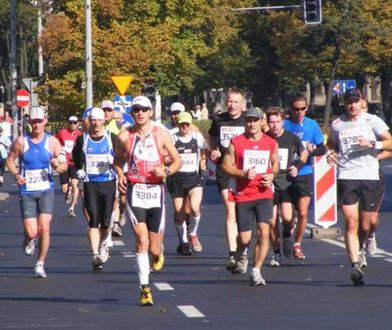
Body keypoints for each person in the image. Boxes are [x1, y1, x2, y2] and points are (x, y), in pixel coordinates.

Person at [113, 95, 181, 306]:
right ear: (131, 113)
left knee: (154, 248)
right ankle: (145, 288)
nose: (140, 112)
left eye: (144, 109)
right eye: (136, 109)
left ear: (151, 111)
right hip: (135, 191)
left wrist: (166, 170)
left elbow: (177, 160)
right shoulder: (125, 136)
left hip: (156, 191)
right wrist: (121, 175)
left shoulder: (161, 134)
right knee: (140, 239)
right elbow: (117, 161)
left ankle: (157, 253)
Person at [327, 88, 392, 285]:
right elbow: (332, 144)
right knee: (350, 222)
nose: (352, 105)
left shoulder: (372, 121)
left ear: (361, 101)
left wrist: (373, 144)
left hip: (369, 176)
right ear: (344, 103)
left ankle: (362, 244)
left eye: (356, 101)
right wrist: (331, 153)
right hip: (347, 176)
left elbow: (389, 142)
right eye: (349, 101)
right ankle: (355, 265)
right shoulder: (337, 124)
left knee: (365, 224)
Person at [6, 107, 67, 278]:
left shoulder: (52, 141)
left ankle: (40, 264)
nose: (37, 124)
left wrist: (58, 165)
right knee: (33, 232)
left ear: (45, 121)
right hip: (27, 191)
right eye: (34, 121)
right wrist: (16, 174)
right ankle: (28, 240)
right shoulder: (21, 142)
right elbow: (10, 160)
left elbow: (63, 165)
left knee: (44, 228)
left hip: (46, 189)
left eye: (39, 121)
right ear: (29, 123)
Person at [221, 107, 279, 285]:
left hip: (264, 194)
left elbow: (275, 163)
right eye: (248, 120)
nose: (252, 124)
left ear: (262, 121)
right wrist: (242, 173)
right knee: (245, 238)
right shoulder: (237, 142)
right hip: (244, 195)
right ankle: (239, 254)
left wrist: (272, 175)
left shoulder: (270, 142)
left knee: (264, 232)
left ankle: (256, 270)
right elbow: (225, 166)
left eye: (255, 120)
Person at [72, 107, 117, 271]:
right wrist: (79, 169)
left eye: (99, 120)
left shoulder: (112, 138)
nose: (96, 123)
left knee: (105, 222)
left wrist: (115, 163)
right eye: (93, 120)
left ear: (104, 120)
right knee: (93, 219)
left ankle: (104, 242)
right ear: (89, 121)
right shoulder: (83, 139)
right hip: (91, 182)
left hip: (108, 182)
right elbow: (75, 156)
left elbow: (121, 159)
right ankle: (95, 254)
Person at [283, 94, 326, 259]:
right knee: (287, 216)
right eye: (296, 109)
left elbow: (322, 148)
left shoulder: (312, 125)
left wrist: (313, 150)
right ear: (290, 109)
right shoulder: (284, 125)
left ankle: (297, 244)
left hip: (305, 173)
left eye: (303, 109)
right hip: (285, 175)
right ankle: (287, 232)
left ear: (306, 108)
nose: (300, 112)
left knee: (302, 213)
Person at [208, 88, 246, 272]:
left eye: (236, 102)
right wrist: (213, 151)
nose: (232, 105)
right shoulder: (218, 119)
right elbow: (211, 138)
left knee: (241, 212)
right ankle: (232, 254)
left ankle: (243, 250)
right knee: (230, 211)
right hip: (224, 168)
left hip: (244, 171)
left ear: (242, 104)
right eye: (230, 101)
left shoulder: (249, 120)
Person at [266, 107, 308, 266]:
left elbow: (304, 153)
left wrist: (297, 167)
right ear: (267, 122)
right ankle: (276, 253)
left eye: (277, 121)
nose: (274, 125)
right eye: (271, 122)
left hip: (287, 183)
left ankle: (286, 234)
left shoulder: (291, 138)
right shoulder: (264, 138)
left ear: (283, 122)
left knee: (288, 218)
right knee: (271, 220)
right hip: (269, 182)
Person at [166, 111, 207, 255]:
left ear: (190, 125)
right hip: (176, 180)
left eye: (186, 124)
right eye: (181, 124)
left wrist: (205, 161)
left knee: (195, 208)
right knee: (179, 212)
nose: (184, 126)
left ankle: (193, 234)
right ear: (178, 124)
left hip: (193, 178)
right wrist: (170, 161)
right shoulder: (172, 137)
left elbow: (206, 149)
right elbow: (164, 156)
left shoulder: (197, 137)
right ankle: (183, 242)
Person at [101, 100, 124, 239]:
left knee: (116, 196)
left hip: (116, 165)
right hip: (99, 167)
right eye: (104, 110)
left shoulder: (118, 126)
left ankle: (116, 222)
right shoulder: (96, 124)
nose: (106, 113)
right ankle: (108, 223)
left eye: (109, 110)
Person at [55, 115, 82, 217]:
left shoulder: (80, 135)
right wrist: (58, 153)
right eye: (70, 122)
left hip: (75, 163)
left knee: (75, 185)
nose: (72, 124)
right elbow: (54, 142)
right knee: (64, 188)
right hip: (64, 163)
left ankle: (72, 208)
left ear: (78, 124)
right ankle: (68, 189)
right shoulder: (62, 133)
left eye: (75, 123)